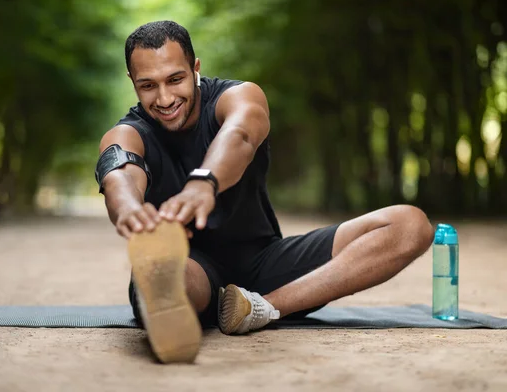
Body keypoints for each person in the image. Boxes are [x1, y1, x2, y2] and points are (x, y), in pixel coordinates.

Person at [96, 20, 434, 364]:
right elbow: (119, 175)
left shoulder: (239, 97)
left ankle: (260, 309)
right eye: (148, 86)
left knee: (410, 224)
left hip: (264, 265)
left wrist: (204, 183)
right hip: (190, 267)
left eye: (175, 79)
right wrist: (128, 209)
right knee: (168, 273)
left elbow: (240, 134)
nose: (165, 98)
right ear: (132, 83)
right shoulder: (127, 132)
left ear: (195, 68)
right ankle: (164, 296)